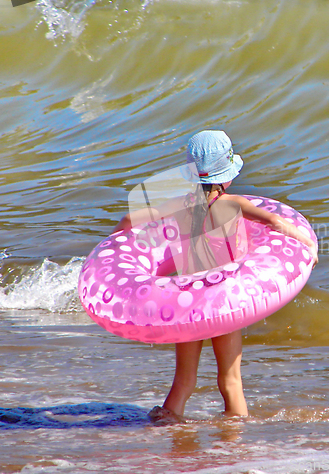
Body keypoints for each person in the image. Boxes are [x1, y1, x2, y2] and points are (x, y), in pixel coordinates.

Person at [114, 130, 318, 422]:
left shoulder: (179, 205)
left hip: (186, 302)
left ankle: (167, 425)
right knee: (230, 380)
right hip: (221, 301)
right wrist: (308, 245)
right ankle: (233, 440)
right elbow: (275, 221)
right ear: (227, 174)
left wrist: (115, 243)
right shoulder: (233, 204)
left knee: (183, 381)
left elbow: (128, 220)